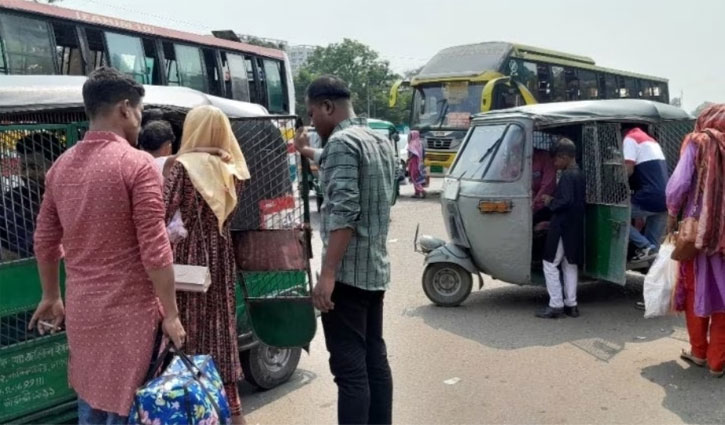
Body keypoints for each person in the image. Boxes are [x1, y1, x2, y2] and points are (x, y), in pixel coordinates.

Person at [28, 67, 185, 424]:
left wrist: (51, 294)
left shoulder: (60, 167)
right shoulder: (138, 164)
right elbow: (155, 247)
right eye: (140, 111)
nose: (140, 119)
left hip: (84, 313)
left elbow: (45, 240)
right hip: (131, 314)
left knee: (92, 403)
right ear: (125, 109)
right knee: (130, 406)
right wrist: (172, 312)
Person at [294, 76, 395, 425]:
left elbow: (344, 214)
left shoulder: (341, 144)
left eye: (312, 113)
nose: (312, 122)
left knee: (350, 371)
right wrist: (307, 151)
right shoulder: (377, 140)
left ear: (327, 107)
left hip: (347, 277)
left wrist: (328, 274)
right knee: (374, 360)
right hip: (375, 270)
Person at [163, 105, 250, 424]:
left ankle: (191, 408)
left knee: (187, 333)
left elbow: (160, 212)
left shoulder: (182, 168)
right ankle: (231, 409)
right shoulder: (234, 168)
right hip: (221, 257)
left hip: (189, 261)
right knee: (221, 332)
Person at [666, 104, 725, 377]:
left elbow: (679, 184)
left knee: (696, 291)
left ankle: (699, 351)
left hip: (700, 231)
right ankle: (718, 361)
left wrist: (671, 213)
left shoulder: (698, 141)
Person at [536, 138, 586, 319]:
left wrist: (550, 202)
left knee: (550, 264)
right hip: (575, 226)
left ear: (565, 157)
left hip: (562, 227)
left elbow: (564, 201)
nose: (554, 164)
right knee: (569, 264)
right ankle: (571, 305)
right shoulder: (579, 173)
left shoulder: (567, 175)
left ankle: (555, 304)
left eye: (556, 160)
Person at [0, 132, 63, 260]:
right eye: (23, 168)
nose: (27, 174)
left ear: (56, 165)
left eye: (34, 167)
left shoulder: (69, 199)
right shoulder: (11, 199)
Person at [622, 125, 668, 261]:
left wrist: (615, 182)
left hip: (650, 196)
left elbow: (628, 170)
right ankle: (656, 279)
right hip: (666, 198)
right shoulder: (651, 141)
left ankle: (644, 245)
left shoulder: (630, 138)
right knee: (653, 251)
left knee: (617, 218)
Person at [138, 119, 232, 178]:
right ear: (168, 146)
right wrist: (219, 151)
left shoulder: (138, 163)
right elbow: (195, 150)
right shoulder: (167, 161)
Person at [407, 130, 426, 198]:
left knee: (414, 176)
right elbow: (424, 154)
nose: (409, 137)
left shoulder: (412, 143)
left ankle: (421, 190)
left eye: (410, 135)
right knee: (418, 176)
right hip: (420, 162)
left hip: (413, 162)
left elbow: (411, 154)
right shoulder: (420, 143)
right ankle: (417, 193)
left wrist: (408, 159)